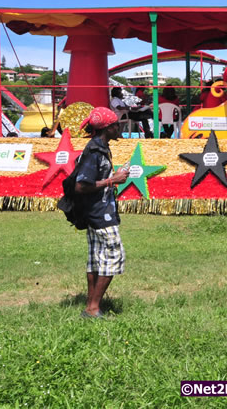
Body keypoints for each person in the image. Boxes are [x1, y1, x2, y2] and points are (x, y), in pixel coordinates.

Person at [74, 107, 129, 319]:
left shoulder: (101, 147)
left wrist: (112, 177)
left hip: (98, 210)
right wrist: (112, 180)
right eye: (116, 124)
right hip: (100, 213)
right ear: (107, 128)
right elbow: (81, 186)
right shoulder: (94, 152)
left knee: (96, 259)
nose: (119, 127)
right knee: (115, 256)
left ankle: (91, 305)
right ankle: (94, 307)